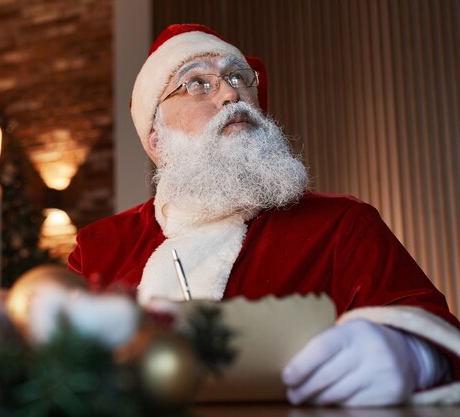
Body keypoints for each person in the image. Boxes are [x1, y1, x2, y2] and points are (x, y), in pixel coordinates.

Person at [68, 23, 460, 406]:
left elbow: (432, 327)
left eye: (239, 77)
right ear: (156, 139)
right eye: (197, 84)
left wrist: (412, 355)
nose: (229, 94)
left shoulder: (342, 224)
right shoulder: (99, 248)